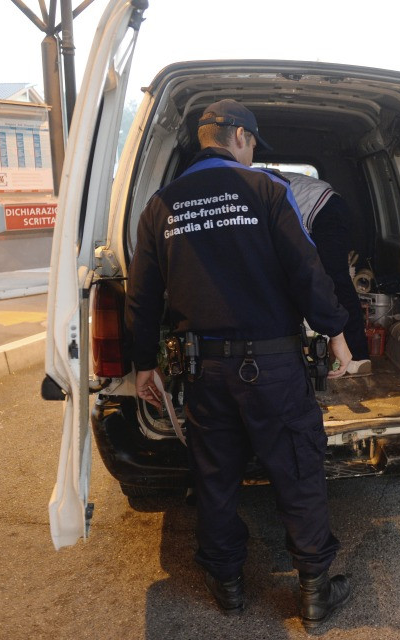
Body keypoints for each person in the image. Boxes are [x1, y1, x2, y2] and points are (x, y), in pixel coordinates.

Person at [125, 99, 352, 629]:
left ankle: (228, 586)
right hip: (273, 367)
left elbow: (142, 297)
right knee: (297, 471)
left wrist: (143, 365)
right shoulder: (269, 192)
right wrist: (336, 332)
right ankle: (315, 593)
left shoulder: (161, 205)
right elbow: (307, 271)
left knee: (215, 476)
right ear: (241, 138)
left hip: (203, 371)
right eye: (253, 144)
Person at [283, 171, 371, 375]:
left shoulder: (253, 187)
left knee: (336, 281)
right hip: (322, 210)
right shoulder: (253, 183)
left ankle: (358, 355)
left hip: (326, 210)